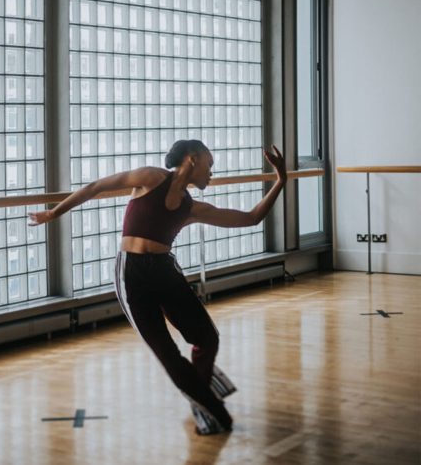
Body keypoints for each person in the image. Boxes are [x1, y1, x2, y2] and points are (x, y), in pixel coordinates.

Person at [29, 140, 287, 434]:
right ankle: (213, 410)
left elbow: (251, 218)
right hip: (132, 274)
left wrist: (281, 180)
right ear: (192, 159)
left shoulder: (191, 208)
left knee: (207, 338)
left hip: (164, 271)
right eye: (210, 165)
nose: (211, 173)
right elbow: (95, 187)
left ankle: (199, 395)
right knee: (167, 353)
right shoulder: (151, 179)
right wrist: (53, 213)